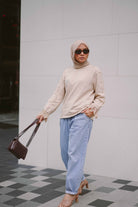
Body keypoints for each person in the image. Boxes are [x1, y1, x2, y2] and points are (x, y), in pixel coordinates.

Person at [37, 40, 105, 207]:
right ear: (72, 53)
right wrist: (45, 112)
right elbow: (57, 95)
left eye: (85, 50)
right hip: (65, 116)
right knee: (65, 153)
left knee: (75, 154)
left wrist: (93, 109)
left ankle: (71, 192)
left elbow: (101, 96)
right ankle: (80, 179)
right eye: (78, 51)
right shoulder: (67, 72)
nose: (82, 53)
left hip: (82, 116)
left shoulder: (94, 71)